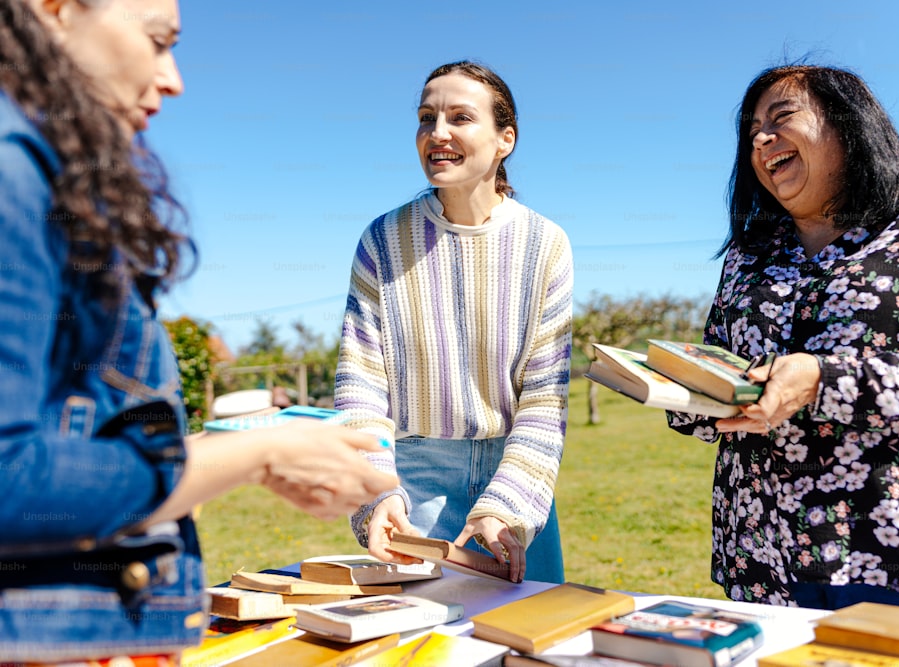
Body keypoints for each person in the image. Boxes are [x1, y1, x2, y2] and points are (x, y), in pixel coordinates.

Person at [0, 0, 397, 662]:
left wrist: (240, 452)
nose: (174, 77)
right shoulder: (15, 173)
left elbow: (67, 444)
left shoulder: (50, 178)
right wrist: (252, 454)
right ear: (56, 11)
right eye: (158, 41)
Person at [667, 64, 899, 618]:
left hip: (898, 552)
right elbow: (723, 359)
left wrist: (822, 380)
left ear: (846, 124)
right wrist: (684, 390)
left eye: (781, 118)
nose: (762, 139)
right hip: (765, 556)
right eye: (752, 132)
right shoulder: (752, 251)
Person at [334, 60, 573, 584]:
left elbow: (544, 397)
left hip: (518, 480)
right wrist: (377, 491)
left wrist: (507, 504)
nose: (437, 133)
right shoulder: (381, 241)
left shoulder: (546, 245)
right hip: (412, 482)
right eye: (426, 118)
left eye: (460, 118)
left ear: (505, 138)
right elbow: (361, 386)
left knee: (532, 645)